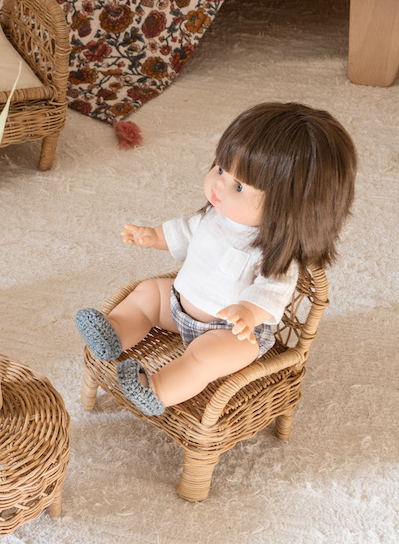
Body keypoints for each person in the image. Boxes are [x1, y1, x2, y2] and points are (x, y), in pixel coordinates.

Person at [76, 102, 357, 416]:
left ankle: (156, 390)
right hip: (181, 306)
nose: (218, 186)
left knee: (204, 358)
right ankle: (114, 333)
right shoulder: (215, 216)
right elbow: (186, 231)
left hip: (231, 332)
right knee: (147, 294)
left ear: (290, 208)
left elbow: (271, 293)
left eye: (238, 186)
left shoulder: (273, 251)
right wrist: (152, 236)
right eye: (220, 169)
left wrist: (247, 312)